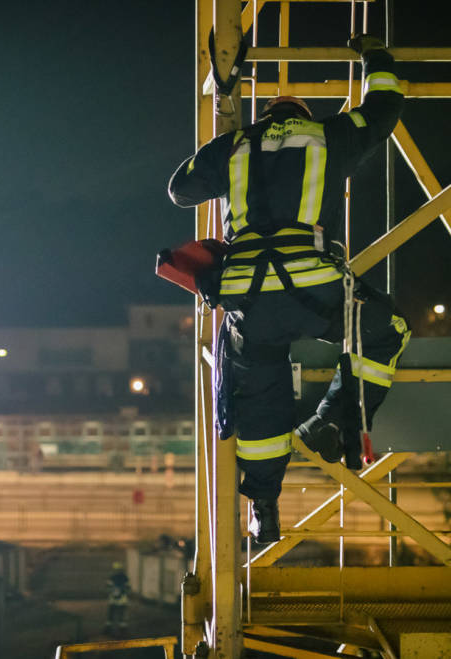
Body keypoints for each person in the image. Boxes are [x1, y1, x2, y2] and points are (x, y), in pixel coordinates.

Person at [166, 35, 410, 545]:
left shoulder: (236, 145)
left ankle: (265, 510)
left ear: (270, 114)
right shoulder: (331, 135)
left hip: (248, 300)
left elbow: (179, 189)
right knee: (383, 331)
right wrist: (376, 60)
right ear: (302, 113)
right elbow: (384, 107)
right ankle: (330, 422)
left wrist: (223, 141)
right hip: (314, 287)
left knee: (258, 397)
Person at [104, 561, 130, 635]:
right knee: (121, 612)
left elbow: (108, 587)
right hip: (122, 598)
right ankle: (122, 628)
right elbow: (128, 588)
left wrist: (112, 593)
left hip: (113, 598)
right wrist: (124, 592)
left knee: (112, 612)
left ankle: (108, 627)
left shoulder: (112, 577)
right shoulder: (125, 577)